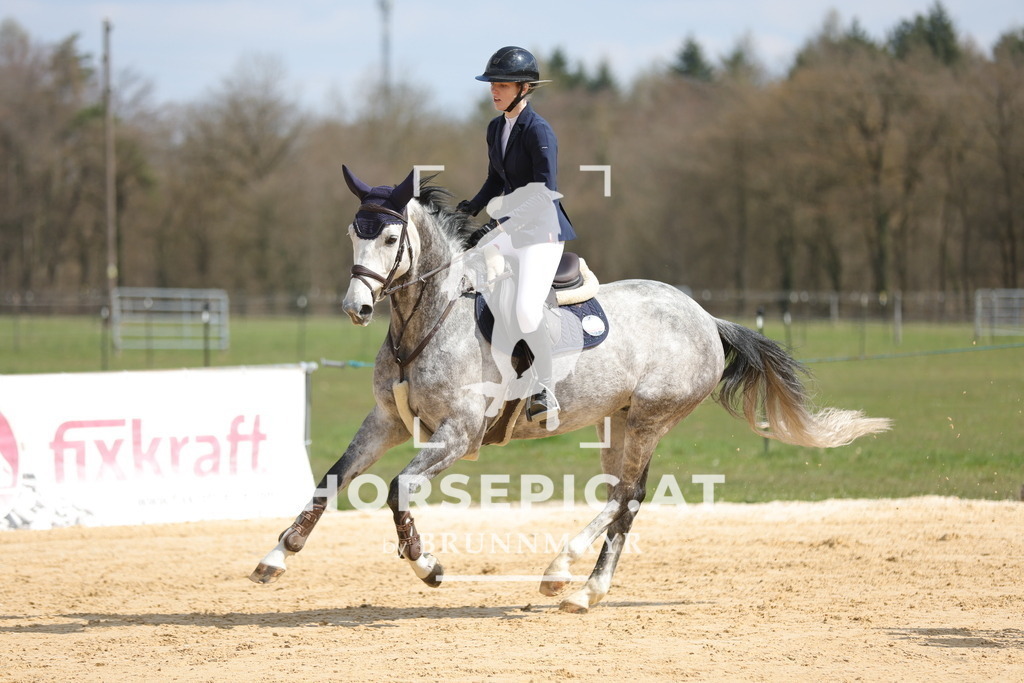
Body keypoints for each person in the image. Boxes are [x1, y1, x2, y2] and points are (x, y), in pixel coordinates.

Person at [457, 46, 576, 427]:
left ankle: (545, 386)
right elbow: (496, 179)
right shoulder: (495, 128)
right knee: (461, 269)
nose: (494, 91)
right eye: (492, 84)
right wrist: (468, 209)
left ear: (525, 88)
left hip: (541, 232)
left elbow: (544, 192)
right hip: (511, 227)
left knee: (527, 308)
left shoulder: (539, 130)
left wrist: (499, 224)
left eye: (502, 84)